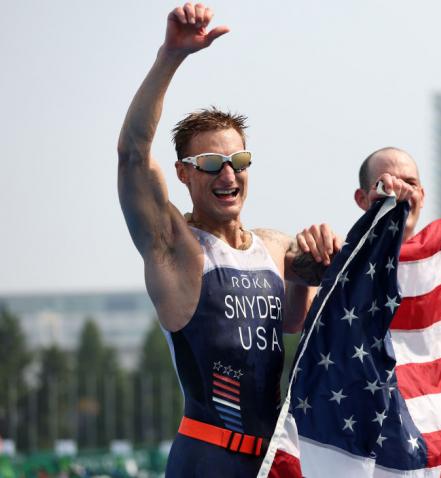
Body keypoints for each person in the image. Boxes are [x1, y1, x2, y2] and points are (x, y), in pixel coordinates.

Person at [117, 4, 335, 476]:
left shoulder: (274, 246)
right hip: (207, 458)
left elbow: (297, 317)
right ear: (184, 174)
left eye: (239, 160)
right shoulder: (174, 247)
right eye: (212, 164)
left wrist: (322, 247)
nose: (229, 174)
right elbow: (133, 155)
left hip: (274, 460)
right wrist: (170, 56)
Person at [297, 146, 422, 261]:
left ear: (422, 196)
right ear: (362, 199)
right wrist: (308, 254)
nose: (401, 190)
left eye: (410, 183)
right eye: (385, 185)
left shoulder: (439, 263)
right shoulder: (342, 264)